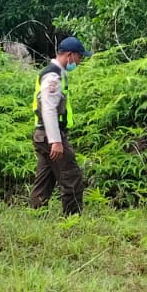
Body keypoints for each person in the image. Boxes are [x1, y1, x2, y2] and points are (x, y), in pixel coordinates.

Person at [29, 35, 88, 214]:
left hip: (42, 135)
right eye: (79, 57)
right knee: (72, 178)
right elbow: (48, 109)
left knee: (45, 179)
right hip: (50, 136)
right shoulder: (53, 77)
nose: (79, 61)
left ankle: (36, 214)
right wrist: (56, 141)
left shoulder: (57, 73)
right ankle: (72, 220)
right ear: (69, 55)